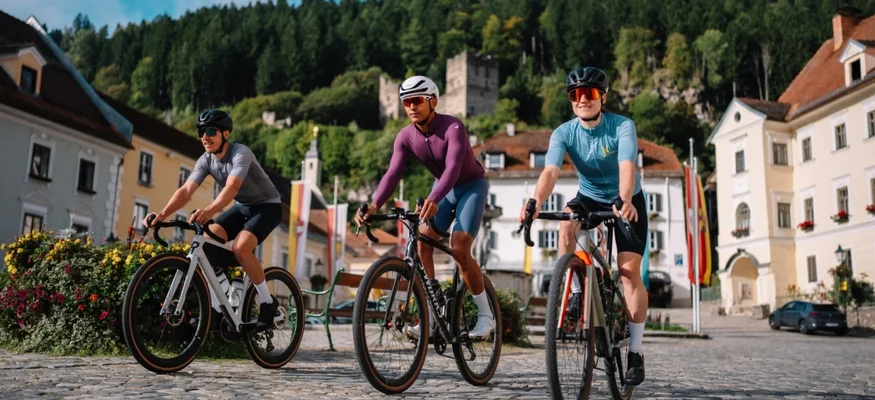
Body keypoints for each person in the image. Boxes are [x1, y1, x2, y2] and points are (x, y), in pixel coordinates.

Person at [518, 67, 649, 386]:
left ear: (602, 97)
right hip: (589, 196)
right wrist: (534, 202)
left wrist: (624, 199)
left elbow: (627, 164)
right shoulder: (563, 133)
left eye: (589, 94)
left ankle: (636, 351)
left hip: (627, 198)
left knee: (629, 274)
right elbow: (550, 172)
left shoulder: (622, 126)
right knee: (566, 227)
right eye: (576, 95)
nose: (582, 100)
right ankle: (576, 291)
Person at [355, 75, 494, 339]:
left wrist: (434, 198)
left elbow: (453, 169)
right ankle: (432, 312)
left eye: (417, 101)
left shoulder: (453, 127)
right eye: (406, 102)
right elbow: (393, 174)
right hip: (443, 189)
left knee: (460, 247)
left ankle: (486, 316)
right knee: (422, 243)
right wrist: (373, 205)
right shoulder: (405, 136)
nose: (411, 107)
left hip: (470, 186)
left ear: (433, 101)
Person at [141, 109, 282, 332]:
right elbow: (186, 190)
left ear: (225, 134)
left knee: (241, 248)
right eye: (200, 132)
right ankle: (219, 309)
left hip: (268, 206)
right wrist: (161, 215)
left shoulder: (240, 153)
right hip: (242, 207)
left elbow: (232, 187)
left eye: (210, 131)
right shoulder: (206, 160)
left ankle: (267, 302)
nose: (204, 137)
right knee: (205, 243)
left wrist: (208, 210)